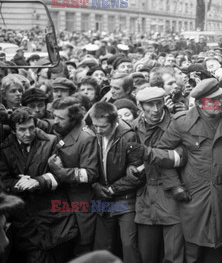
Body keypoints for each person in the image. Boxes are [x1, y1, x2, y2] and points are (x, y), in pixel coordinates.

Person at [158, 78, 222, 263]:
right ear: (199, 103)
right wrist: (175, 186)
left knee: (219, 246)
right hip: (194, 196)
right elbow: (161, 156)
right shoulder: (183, 123)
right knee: (193, 249)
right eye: (212, 100)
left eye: (220, 98)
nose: (218, 103)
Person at [0, 108, 78, 262]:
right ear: (14, 131)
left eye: (31, 128)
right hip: (26, 220)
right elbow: (4, 181)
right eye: (22, 130)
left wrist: (38, 181)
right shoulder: (4, 150)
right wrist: (21, 184)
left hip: (55, 216)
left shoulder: (51, 142)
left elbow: (62, 175)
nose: (28, 133)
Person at [131, 87, 186, 263]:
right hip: (145, 200)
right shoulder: (133, 127)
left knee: (174, 256)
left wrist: (147, 153)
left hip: (173, 197)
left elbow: (180, 157)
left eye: (159, 103)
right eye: (150, 105)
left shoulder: (178, 124)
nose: (155, 109)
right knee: (147, 256)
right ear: (139, 106)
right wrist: (130, 170)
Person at [90, 102, 142, 263]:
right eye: (95, 126)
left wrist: (112, 189)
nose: (98, 130)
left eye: (102, 127)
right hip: (102, 199)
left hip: (125, 200)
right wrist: (95, 186)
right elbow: (88, 166)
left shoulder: (129, 136)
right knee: (101, 247)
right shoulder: (92, 134)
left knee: (129, 245)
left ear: (114, 122)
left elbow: (136, 175)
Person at [47, 97, 99, 256]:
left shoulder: (86, 138)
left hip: (81, 200)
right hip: (64, 197)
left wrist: (61, 173)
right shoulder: (61, 130)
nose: (55, 121)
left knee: (83, 244)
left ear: (74, 119)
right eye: (54, 116)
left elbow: (90, 173)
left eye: (60, 118)